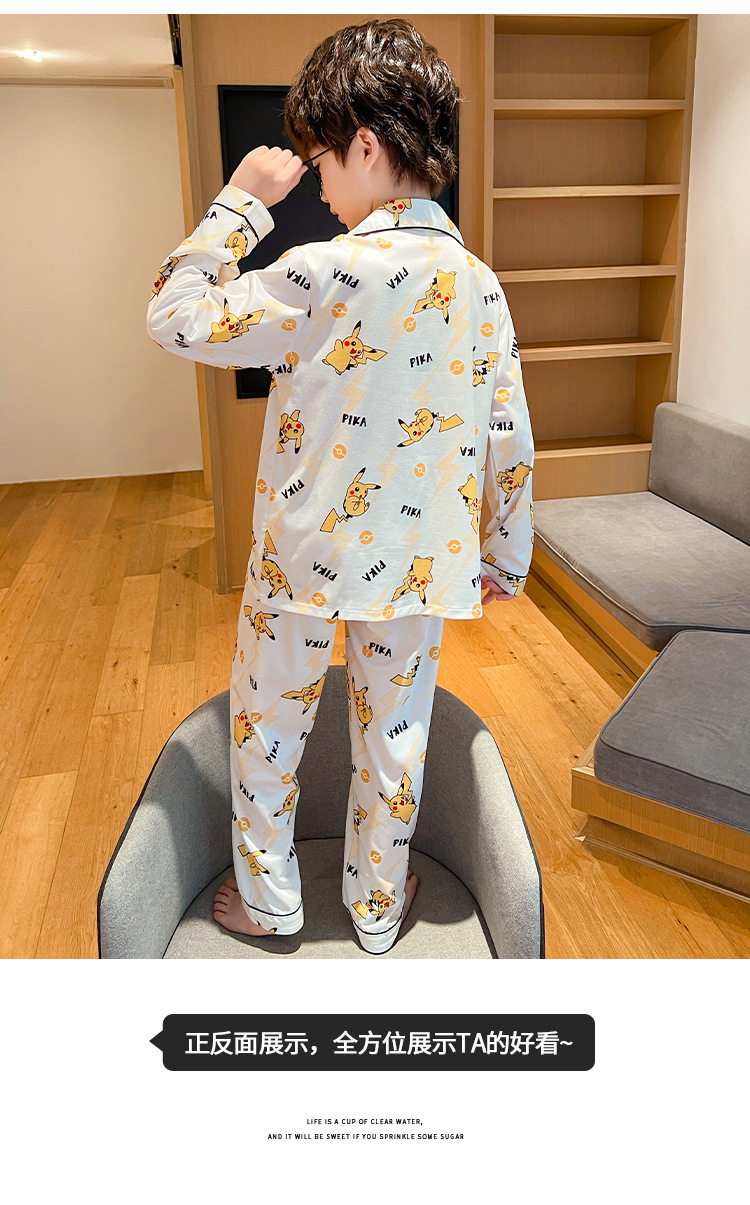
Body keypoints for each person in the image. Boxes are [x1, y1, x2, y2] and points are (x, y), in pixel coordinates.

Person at [146, 18, 534, 954]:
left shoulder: (319, 270)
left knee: (269, 731)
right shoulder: (481, 284)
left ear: (364, 144)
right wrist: (504, 556)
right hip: (417, 564)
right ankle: (376, 909)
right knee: (395, 741)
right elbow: (509, 434)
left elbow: (175, 316)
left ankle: (272, 903)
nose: (317, 181)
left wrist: (241, 202)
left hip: (301, 561)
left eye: (321, 158)